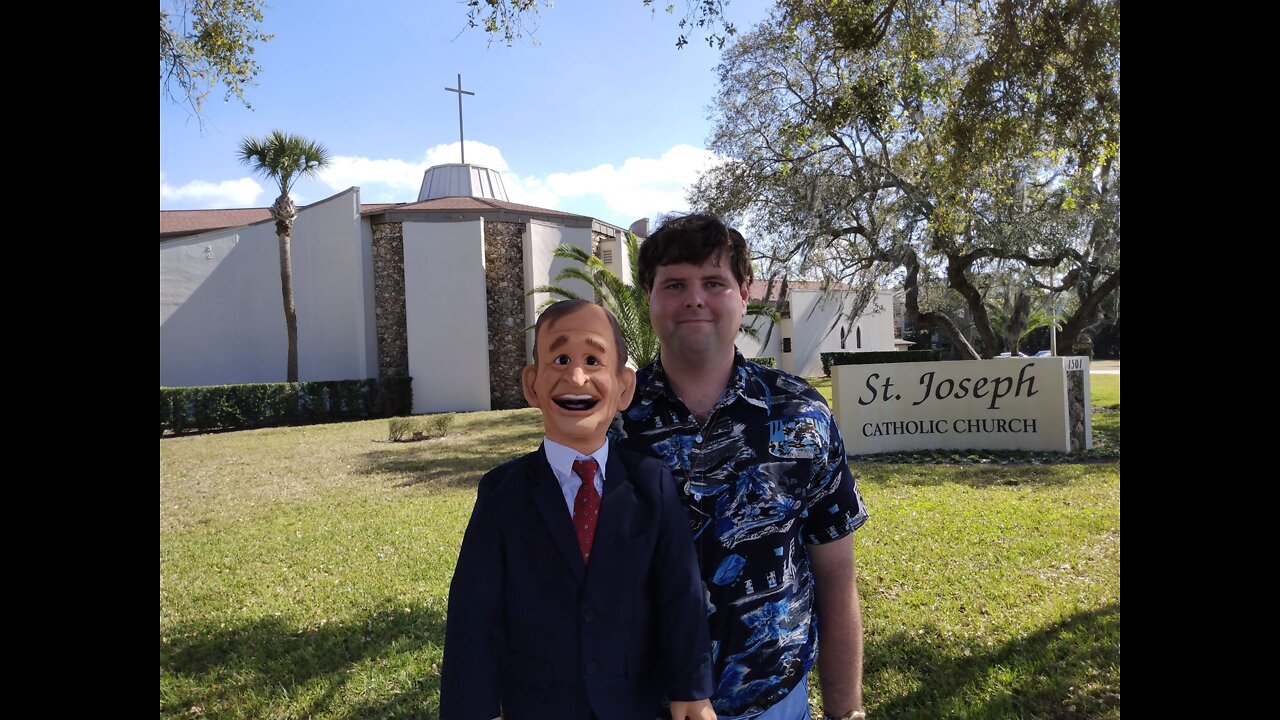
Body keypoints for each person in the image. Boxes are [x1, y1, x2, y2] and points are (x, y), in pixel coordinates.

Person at [613, 214, 870, 720]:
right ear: (649, 295)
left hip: (771, 703)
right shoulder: (611, 423)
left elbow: (836, 573)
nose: (694, 298)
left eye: (713, 282)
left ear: (745, 292)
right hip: (638, 702)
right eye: (674, 284)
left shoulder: (802, 414)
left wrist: (847, 710)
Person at [441, 300, 716, 720]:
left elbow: (680, 595)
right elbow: (473, 615)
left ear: (624, 387)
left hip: (633, 706)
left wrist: (692, 690)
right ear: (532, 384)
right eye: (560, 358)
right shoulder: (502, 493)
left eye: (592, 359)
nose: (576, 376)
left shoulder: (652, 484)